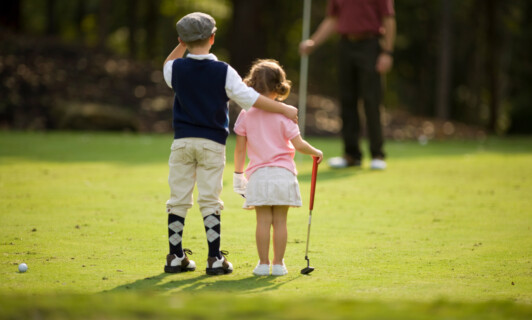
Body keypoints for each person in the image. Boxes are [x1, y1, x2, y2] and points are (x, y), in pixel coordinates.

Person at [162, 13, 299, 276]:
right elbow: (250, 99)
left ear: (182, 40)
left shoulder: (175, 69)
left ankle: (175, 256)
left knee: (178, 198)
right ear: (213, 38)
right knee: (210, 199)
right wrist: (284, 109)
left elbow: (168, 62)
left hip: (181, 142)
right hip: (211, 144)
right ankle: (214, 258)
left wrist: (181, 43)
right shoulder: (224, 71)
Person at [233, 59, 323, 276]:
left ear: (252, 85)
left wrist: (238, 174)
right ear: (279, 86)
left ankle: (263, 264)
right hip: (283, 174)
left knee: (263, 221)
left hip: (259, 175)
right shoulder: (285, 114)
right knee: (280, 222)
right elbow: (299, 144)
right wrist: (316, 152)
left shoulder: (246, 113)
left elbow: (239, 150)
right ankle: (279, 265)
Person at [299, 0, 396, 170]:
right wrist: (313, 42)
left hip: (370, 44)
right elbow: (332, 19)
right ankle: (351, 155)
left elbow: (388, 18)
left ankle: (377, 154)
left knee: (371, 100)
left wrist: (387, 52)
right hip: (346, 45)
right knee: (347, 100)